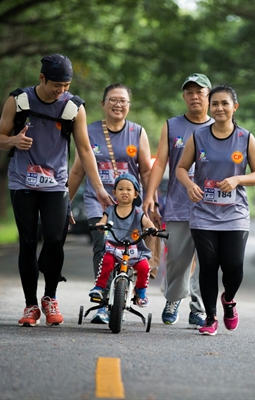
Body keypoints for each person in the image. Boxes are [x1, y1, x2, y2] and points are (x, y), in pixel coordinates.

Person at [0, 54, 112, 327]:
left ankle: (50, 296)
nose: (61, 90)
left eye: (66, 85)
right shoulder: (19, 101)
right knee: (27, 241)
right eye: (56, 85)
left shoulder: (73, 107)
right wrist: (13, 140)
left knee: (56, 240)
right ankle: (30, 305)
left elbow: (84, 151)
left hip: (56, 184)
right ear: (42, 78)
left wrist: (100, 189)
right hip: (22, 182)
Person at [176, 85, 255, 335]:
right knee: (208, 265)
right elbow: (181, 168)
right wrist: (190, 184)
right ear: (209, 107)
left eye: (224, 103)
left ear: (234, 107)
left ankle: (228, 300)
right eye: (214, 103)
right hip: (203, 214)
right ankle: (210, 318)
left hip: (235, 214)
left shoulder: (246, 138)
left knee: (234, 266)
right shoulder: (198, 137)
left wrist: (238, 180)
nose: (219, 108)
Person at [68, 83, 153, 324]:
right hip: (99, 202)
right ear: (103, 103)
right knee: (102, 244)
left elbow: (146, 171)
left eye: (123, 101)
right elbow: (77, 172)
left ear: (129, 105)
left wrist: (149, 200)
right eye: (113, 100)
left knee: (131, 249)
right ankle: (103, 301)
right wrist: (65, 203)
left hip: (130, 207)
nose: (118, 104)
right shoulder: (89, 131)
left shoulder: (138, 132)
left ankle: (124, 291)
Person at [142, 73, 214, 328]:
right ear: (184, 96)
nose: (195, 97)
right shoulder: (172, 126)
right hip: (178, 204)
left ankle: (199, 306)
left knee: (207, 260)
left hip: (212, 207)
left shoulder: (220, 126)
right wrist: (150, 195)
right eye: (190, 92)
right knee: (178, 259)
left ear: (209, 96)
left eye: (200, 92)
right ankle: (173, 298)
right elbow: (160, 162)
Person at [90, 173, 154, 307]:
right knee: (106, 261)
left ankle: (140, 292)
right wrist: (101, 225)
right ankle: (99, 288)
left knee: (144, 267)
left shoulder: (137, 212)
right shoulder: (111, 210)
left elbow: (147, 223)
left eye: (129, 189)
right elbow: (103, 220)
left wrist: (152, 229)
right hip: (114, 248)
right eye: (120, 189)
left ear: (136, 194)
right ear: (114, 193)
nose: (124, 192)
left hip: (133, 250)